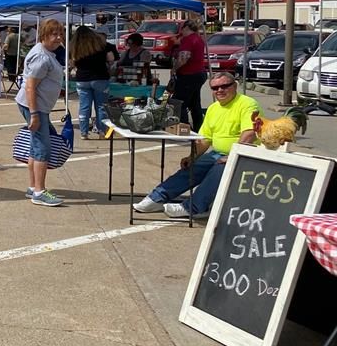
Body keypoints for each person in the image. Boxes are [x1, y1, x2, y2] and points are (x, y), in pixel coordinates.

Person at [134, 71, 258, 219]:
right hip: (218, 153)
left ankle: (194, 207)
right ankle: (157, 198)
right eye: (215, 88)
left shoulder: (247, 104)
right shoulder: (213, 108)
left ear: (235, 86)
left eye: (224, 86)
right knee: (192, 167)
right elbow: (204, 139)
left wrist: (232, 156)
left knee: (220, 167)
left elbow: (249, 133)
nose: (219, 90)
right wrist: (191, 156)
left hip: (246, 155)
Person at [16, 18, 66, 207]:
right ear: (44, 35)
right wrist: (35, 114)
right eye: (54, 34)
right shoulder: (41, 56)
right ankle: (39, 191)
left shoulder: (47, 53)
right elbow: (30, 86)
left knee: (36, 146)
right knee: (42, 148)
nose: (58, 37)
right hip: (35, 107)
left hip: (38, 106)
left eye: (60, 33)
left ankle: (33, 187)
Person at [71, 26, 116, 140]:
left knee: (84, 106)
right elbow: (111, 59)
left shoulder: (75, 47)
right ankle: (102, 132)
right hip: (100, 78)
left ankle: (84, 132)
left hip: (82, 79)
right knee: (101, 106)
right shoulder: (100, 45)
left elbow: (72, 63)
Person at [173, 19, 208, 131]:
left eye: (181, 28)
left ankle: (184, 127)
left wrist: (174, 69)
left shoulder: (189, 40)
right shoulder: (198, 39)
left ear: (186, 28)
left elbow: (184, 58)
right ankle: (199, 127)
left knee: (179, 102)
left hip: (189, 74)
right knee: (194, 103)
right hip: (199, 73)